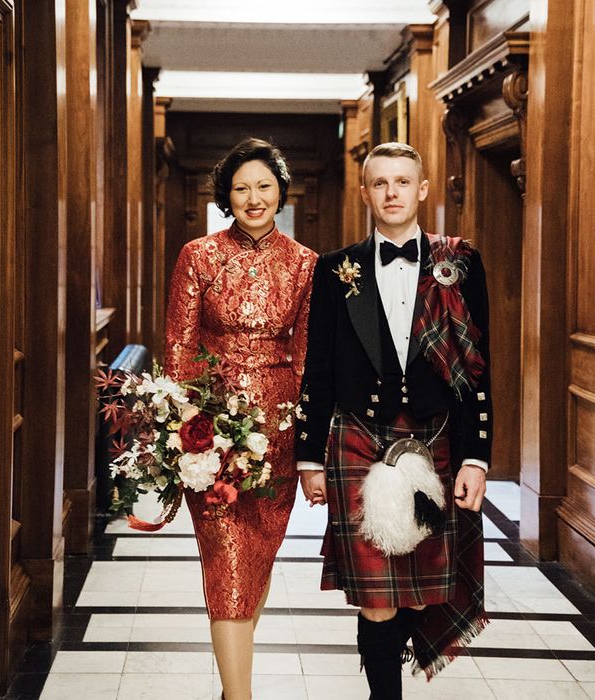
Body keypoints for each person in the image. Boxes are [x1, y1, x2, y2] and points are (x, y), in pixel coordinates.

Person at [297, 142, 491, 698]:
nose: (391, 193)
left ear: (422, 189)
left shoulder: (460, 265)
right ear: (365, 193)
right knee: (376, 596)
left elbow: (479, 367)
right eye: (379, 183)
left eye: (402, 182)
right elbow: (319, 365)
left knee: (421, 593)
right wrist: (309, 457)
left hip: (437, 442)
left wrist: (476, 455)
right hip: (358, 440)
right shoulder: (337, 269)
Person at [164, 137, 317, 700]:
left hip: (278, 432)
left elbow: (306, 359)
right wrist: (186, 432)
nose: (253, 198)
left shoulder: (306, 264)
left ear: (280, 190)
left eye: (264, 186)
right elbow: (178, 348)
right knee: (226, 556)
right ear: (226, 196)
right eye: (241, 188)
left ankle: (232, 685)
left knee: (258, 552)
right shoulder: (197, 256)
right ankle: (241, 696)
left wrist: (308, 447)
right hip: (210, 430)